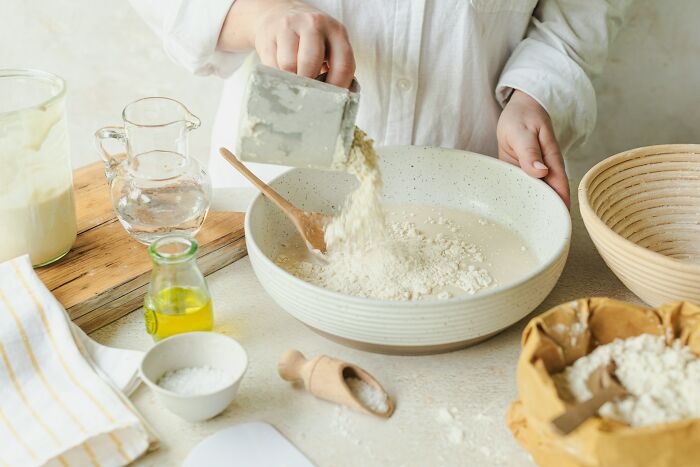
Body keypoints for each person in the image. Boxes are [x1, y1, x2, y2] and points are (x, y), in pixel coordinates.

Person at [129, 0, 633, 206]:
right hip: (277, 181)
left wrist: (535, 93)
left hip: (474, 182)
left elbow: (583, 13)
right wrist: (257, 13)